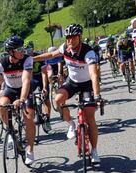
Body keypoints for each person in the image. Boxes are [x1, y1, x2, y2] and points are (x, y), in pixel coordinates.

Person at [33, 23, 102, 164]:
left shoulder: (88, 52)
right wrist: (32, 59)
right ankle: (72, 124)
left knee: (90, 117)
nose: (70, 40)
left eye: (73, 37)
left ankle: (94, 151)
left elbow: (94, 75)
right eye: (68, 37)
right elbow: (51, 54)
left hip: (87, 84)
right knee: (57, 101)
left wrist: (97, 96)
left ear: (80, 37)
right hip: (72, 82)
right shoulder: (65, 47)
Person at [0, 35, 36, 165]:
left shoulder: (27, 59)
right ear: (11, 52)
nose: (23, 51)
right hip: (10, 90)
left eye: (23, 48)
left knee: (29, 118)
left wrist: (21, 100)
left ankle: (30, 150)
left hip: (24, 90)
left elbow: (26, 81)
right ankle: (9, 130)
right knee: (2, 106)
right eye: (19, 49)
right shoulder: (1, 62)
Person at [24, 40, 52, 132]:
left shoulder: (39, 56)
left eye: (29, 49)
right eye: (26, 50)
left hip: (40, 77)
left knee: (46, 99)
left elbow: (44, 73)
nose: (28, 51)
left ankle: (47, 119)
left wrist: (44, 87)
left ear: (33, 49)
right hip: (31, 78)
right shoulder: (24, 59)